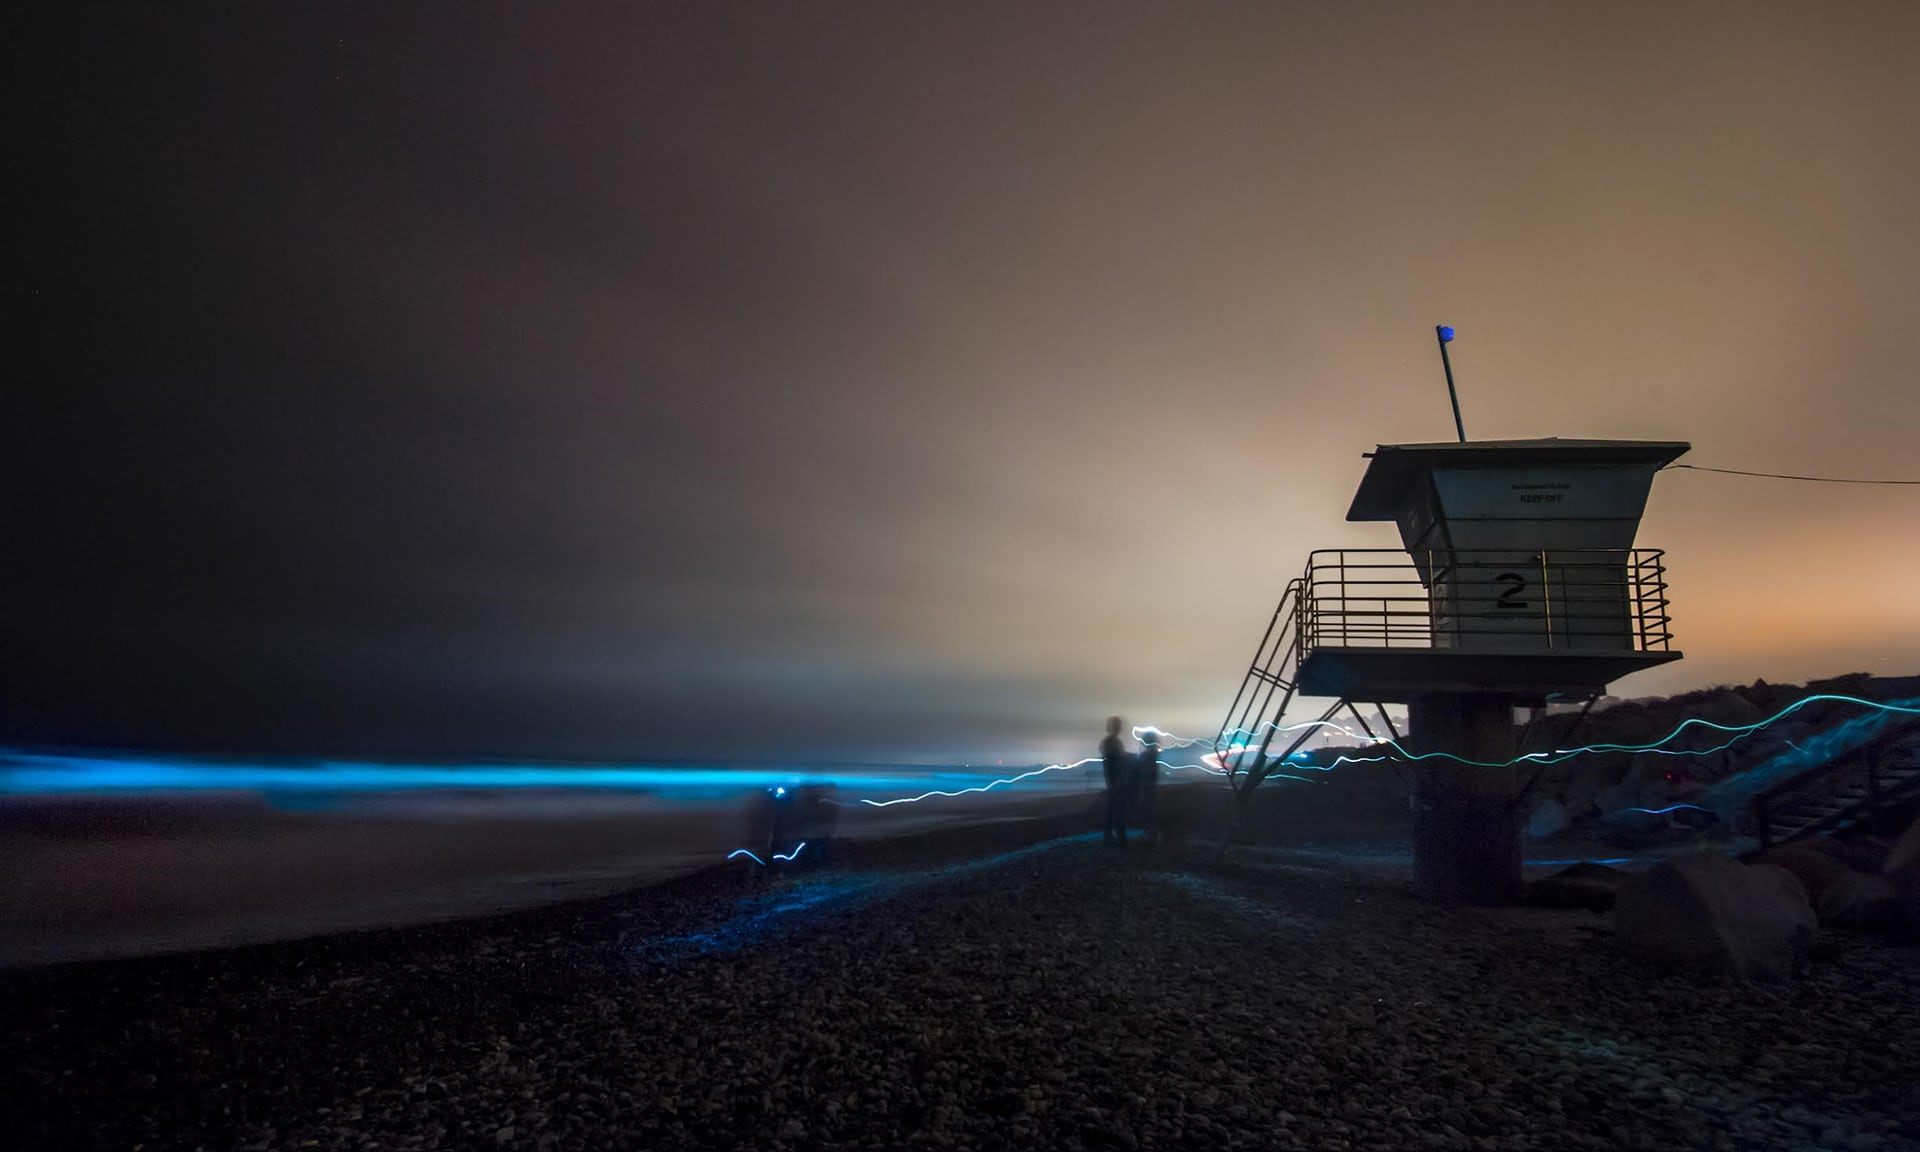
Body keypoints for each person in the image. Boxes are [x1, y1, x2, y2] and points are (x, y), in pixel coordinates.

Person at [1100, 716, 1132, 847]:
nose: (1119, 728)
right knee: (1117, 808)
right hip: (1116, 780)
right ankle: (1117, 835)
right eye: (1117, 725)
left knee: (1114, 808)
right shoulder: (1111, 742)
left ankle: (1112, 835)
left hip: (1117, 780)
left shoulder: (1111, 742)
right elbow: (1113, 761)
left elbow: (1112, 760)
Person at [1134, 728, 1161, 847]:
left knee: (1147, 811)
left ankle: (1149, 836)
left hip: (1146, 787)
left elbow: (1142, 771)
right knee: (1151, 811)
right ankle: (1151, 836)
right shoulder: (1154, 754)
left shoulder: (1146, 756)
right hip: (1151, 786)